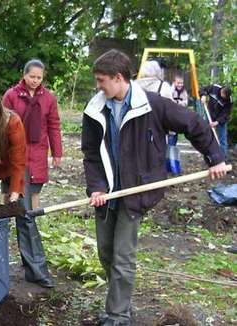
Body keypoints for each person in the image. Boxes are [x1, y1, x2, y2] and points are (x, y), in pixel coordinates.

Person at [81, 49, 227, 326]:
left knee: (123, 255)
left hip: (137, 190)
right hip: (108, 193)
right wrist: (97, 187)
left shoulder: (153, 105)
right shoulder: (94, 109)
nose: (98, 85)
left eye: (102, 80)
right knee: (106, 253)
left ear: (118, 77)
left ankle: (118, 315)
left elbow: (193, 123)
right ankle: (119, 302)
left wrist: (215, 157)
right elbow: (90, 153)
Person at [2, 59, 62, 288]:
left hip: (36, 157)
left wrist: (57, 152)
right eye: (32, 77)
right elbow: (2, 126)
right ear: (24, 75)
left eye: (39, 77)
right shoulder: (11, 96)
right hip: (14, 157)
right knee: (16, 209)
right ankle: (30, 265)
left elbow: (54, 125)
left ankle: (30, 265)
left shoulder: (48, 98)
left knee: (28, 211)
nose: (35, 81)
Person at [201, 84, 233, 158]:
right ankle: (208, 156)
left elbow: (226, 115)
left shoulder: (229, 101)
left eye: (225, 97)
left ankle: (223, 158)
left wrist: (217, 122)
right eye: (223, 95)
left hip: (221, 119)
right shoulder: (214, 88)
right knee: (207, 134)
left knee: (223, 139)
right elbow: (203, 88)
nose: (223, 98)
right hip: (210, 114)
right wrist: (203, 95)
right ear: (221, 91)